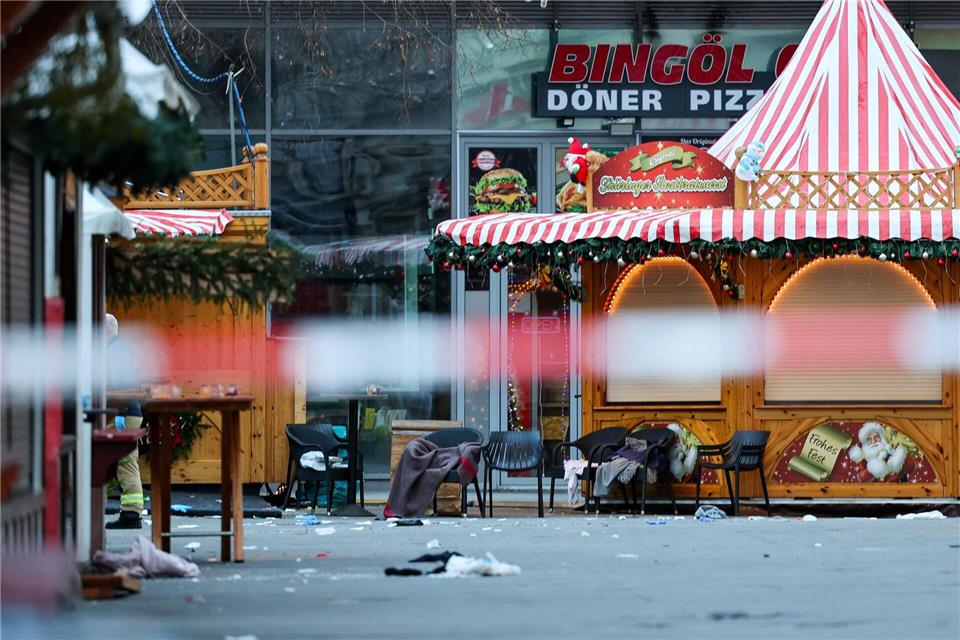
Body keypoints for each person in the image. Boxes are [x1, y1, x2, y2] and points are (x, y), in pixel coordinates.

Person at [104, 313, 145, 529]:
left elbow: (121, 385)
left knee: (123, 458)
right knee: (126, 459)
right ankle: (131, 512)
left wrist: (119, 412)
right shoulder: (121, 349)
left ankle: (131, 514)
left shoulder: (114, 351)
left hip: (123, 412)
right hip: (129, 411)